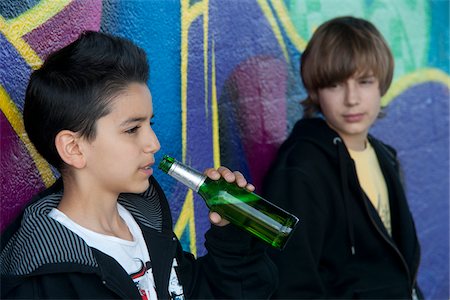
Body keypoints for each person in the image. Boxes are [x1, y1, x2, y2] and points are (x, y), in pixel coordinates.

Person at [0, 31, 277, 299]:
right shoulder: (43, 278)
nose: (153, 143)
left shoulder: (146, 224)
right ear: (74, 148)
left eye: (150, 124)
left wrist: (231, 237)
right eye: (132, 129)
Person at [262, 16, 422, 299]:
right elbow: (290, 284)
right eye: (335, 85)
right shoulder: (300, 169)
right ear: (316, 90)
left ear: (380, 85)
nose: (352, 99)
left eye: (364, 81)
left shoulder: (386, 157)